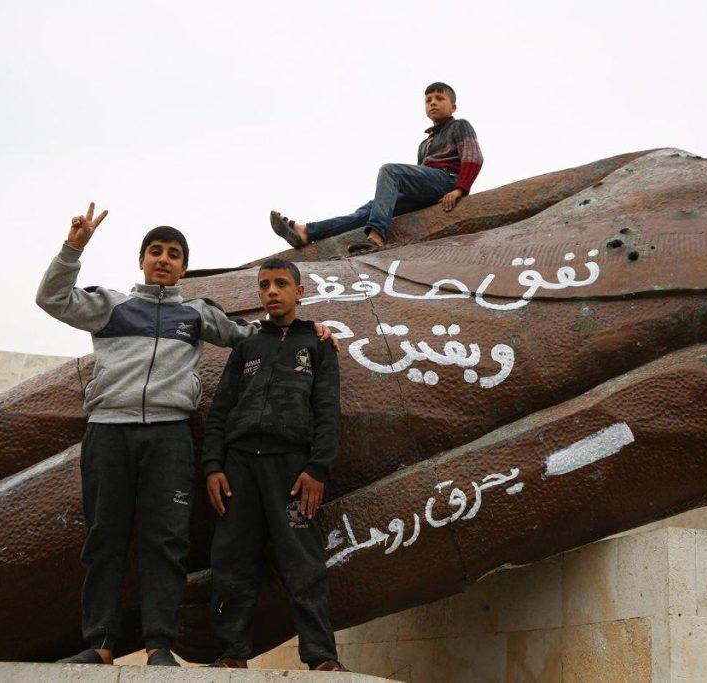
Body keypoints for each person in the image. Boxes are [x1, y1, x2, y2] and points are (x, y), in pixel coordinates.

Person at [35, 204, 336, 667]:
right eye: (155, 251)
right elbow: (51, 299)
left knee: (166, 543)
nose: (164, 259)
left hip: (170, 436)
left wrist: (310, 330)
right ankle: (100, 643)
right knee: (104, 539)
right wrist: (73, 247)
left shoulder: (196, 315)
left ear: (184, 267)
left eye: (174, 254)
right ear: (141, 260)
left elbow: (256, 335)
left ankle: (160, 645)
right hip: (109, 431)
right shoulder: (110, 307)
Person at [201, 257, 346, 671]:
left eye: (281, 283)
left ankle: (321, 658)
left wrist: (318, 468)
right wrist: (213, 465)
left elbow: (327, 410)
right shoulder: (247, 345)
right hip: (239, 468)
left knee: (304, 562)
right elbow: (220, 411)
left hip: (293, 469)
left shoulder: (318, 343)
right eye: (264, 284)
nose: (271, 291)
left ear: (299, 291)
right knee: (232, 560)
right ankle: (232, 654)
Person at [270, 81, 484, 254]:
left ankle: (377, 236)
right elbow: (420, 176)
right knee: (372, 208)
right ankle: (308, 232)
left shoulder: (459, 125)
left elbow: (473, 157)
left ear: (453, 106)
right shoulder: (425, 143)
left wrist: (459, 189)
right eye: (428, 100)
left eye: (440, 98)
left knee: (390, 171)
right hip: (429, 188)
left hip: (446, 179)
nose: (433, 103)